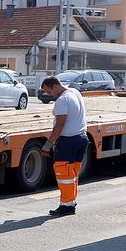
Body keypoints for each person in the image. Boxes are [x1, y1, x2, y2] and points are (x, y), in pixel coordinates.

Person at [41, 75, 87, 216]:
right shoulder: (74, 92)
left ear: (55, 86)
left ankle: (66, 206)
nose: (49, 95)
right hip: (82, 138)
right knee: (72, 174)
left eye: (49, 92)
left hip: (68, 141)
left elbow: (60, 125)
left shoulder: (62, 100)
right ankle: (71, 201)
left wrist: (48, 145)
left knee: (64, 175)